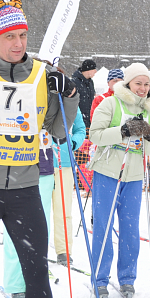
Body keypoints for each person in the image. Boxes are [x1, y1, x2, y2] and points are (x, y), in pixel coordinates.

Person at [0, 0, 79, 298]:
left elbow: (60, 129)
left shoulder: (41, 74)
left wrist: (70, 92)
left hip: (24, 189)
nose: (17, 44)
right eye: (8, 37)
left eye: (22, 35)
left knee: (37, 272)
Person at [88, 62, 150, 298]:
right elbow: (95, 135)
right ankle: (99, 278)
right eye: (139, 83)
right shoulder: (111, 103)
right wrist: (124, 131)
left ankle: (127, 278)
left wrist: (149, 133)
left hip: (134, 176)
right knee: (103, 227)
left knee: (130, 229)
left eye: (146, 84)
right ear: (128, 83)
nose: (143, 88)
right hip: (108, 171)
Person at [3, 127, 55, 298]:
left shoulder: (47, 100)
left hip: (44, 170)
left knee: (40, 229)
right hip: (18, 172)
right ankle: (15, 284)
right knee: (15, 231)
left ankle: (34, 279)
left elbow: (64, 128)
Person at [52, 107, 86, 266]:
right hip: (40, 164)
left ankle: (63, 250)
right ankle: (36, 249)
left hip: (65, 163)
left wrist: (72, 143)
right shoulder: (40, 98)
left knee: (63, 210)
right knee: (39, 212)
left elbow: (80, 129)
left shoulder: (71, 103)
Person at [72, 59, 97, 129]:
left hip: (90, 119)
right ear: (88, 70)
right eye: (94, 69)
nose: (96, 71)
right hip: (79, 119)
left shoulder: (91, 82)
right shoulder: (74, 82)